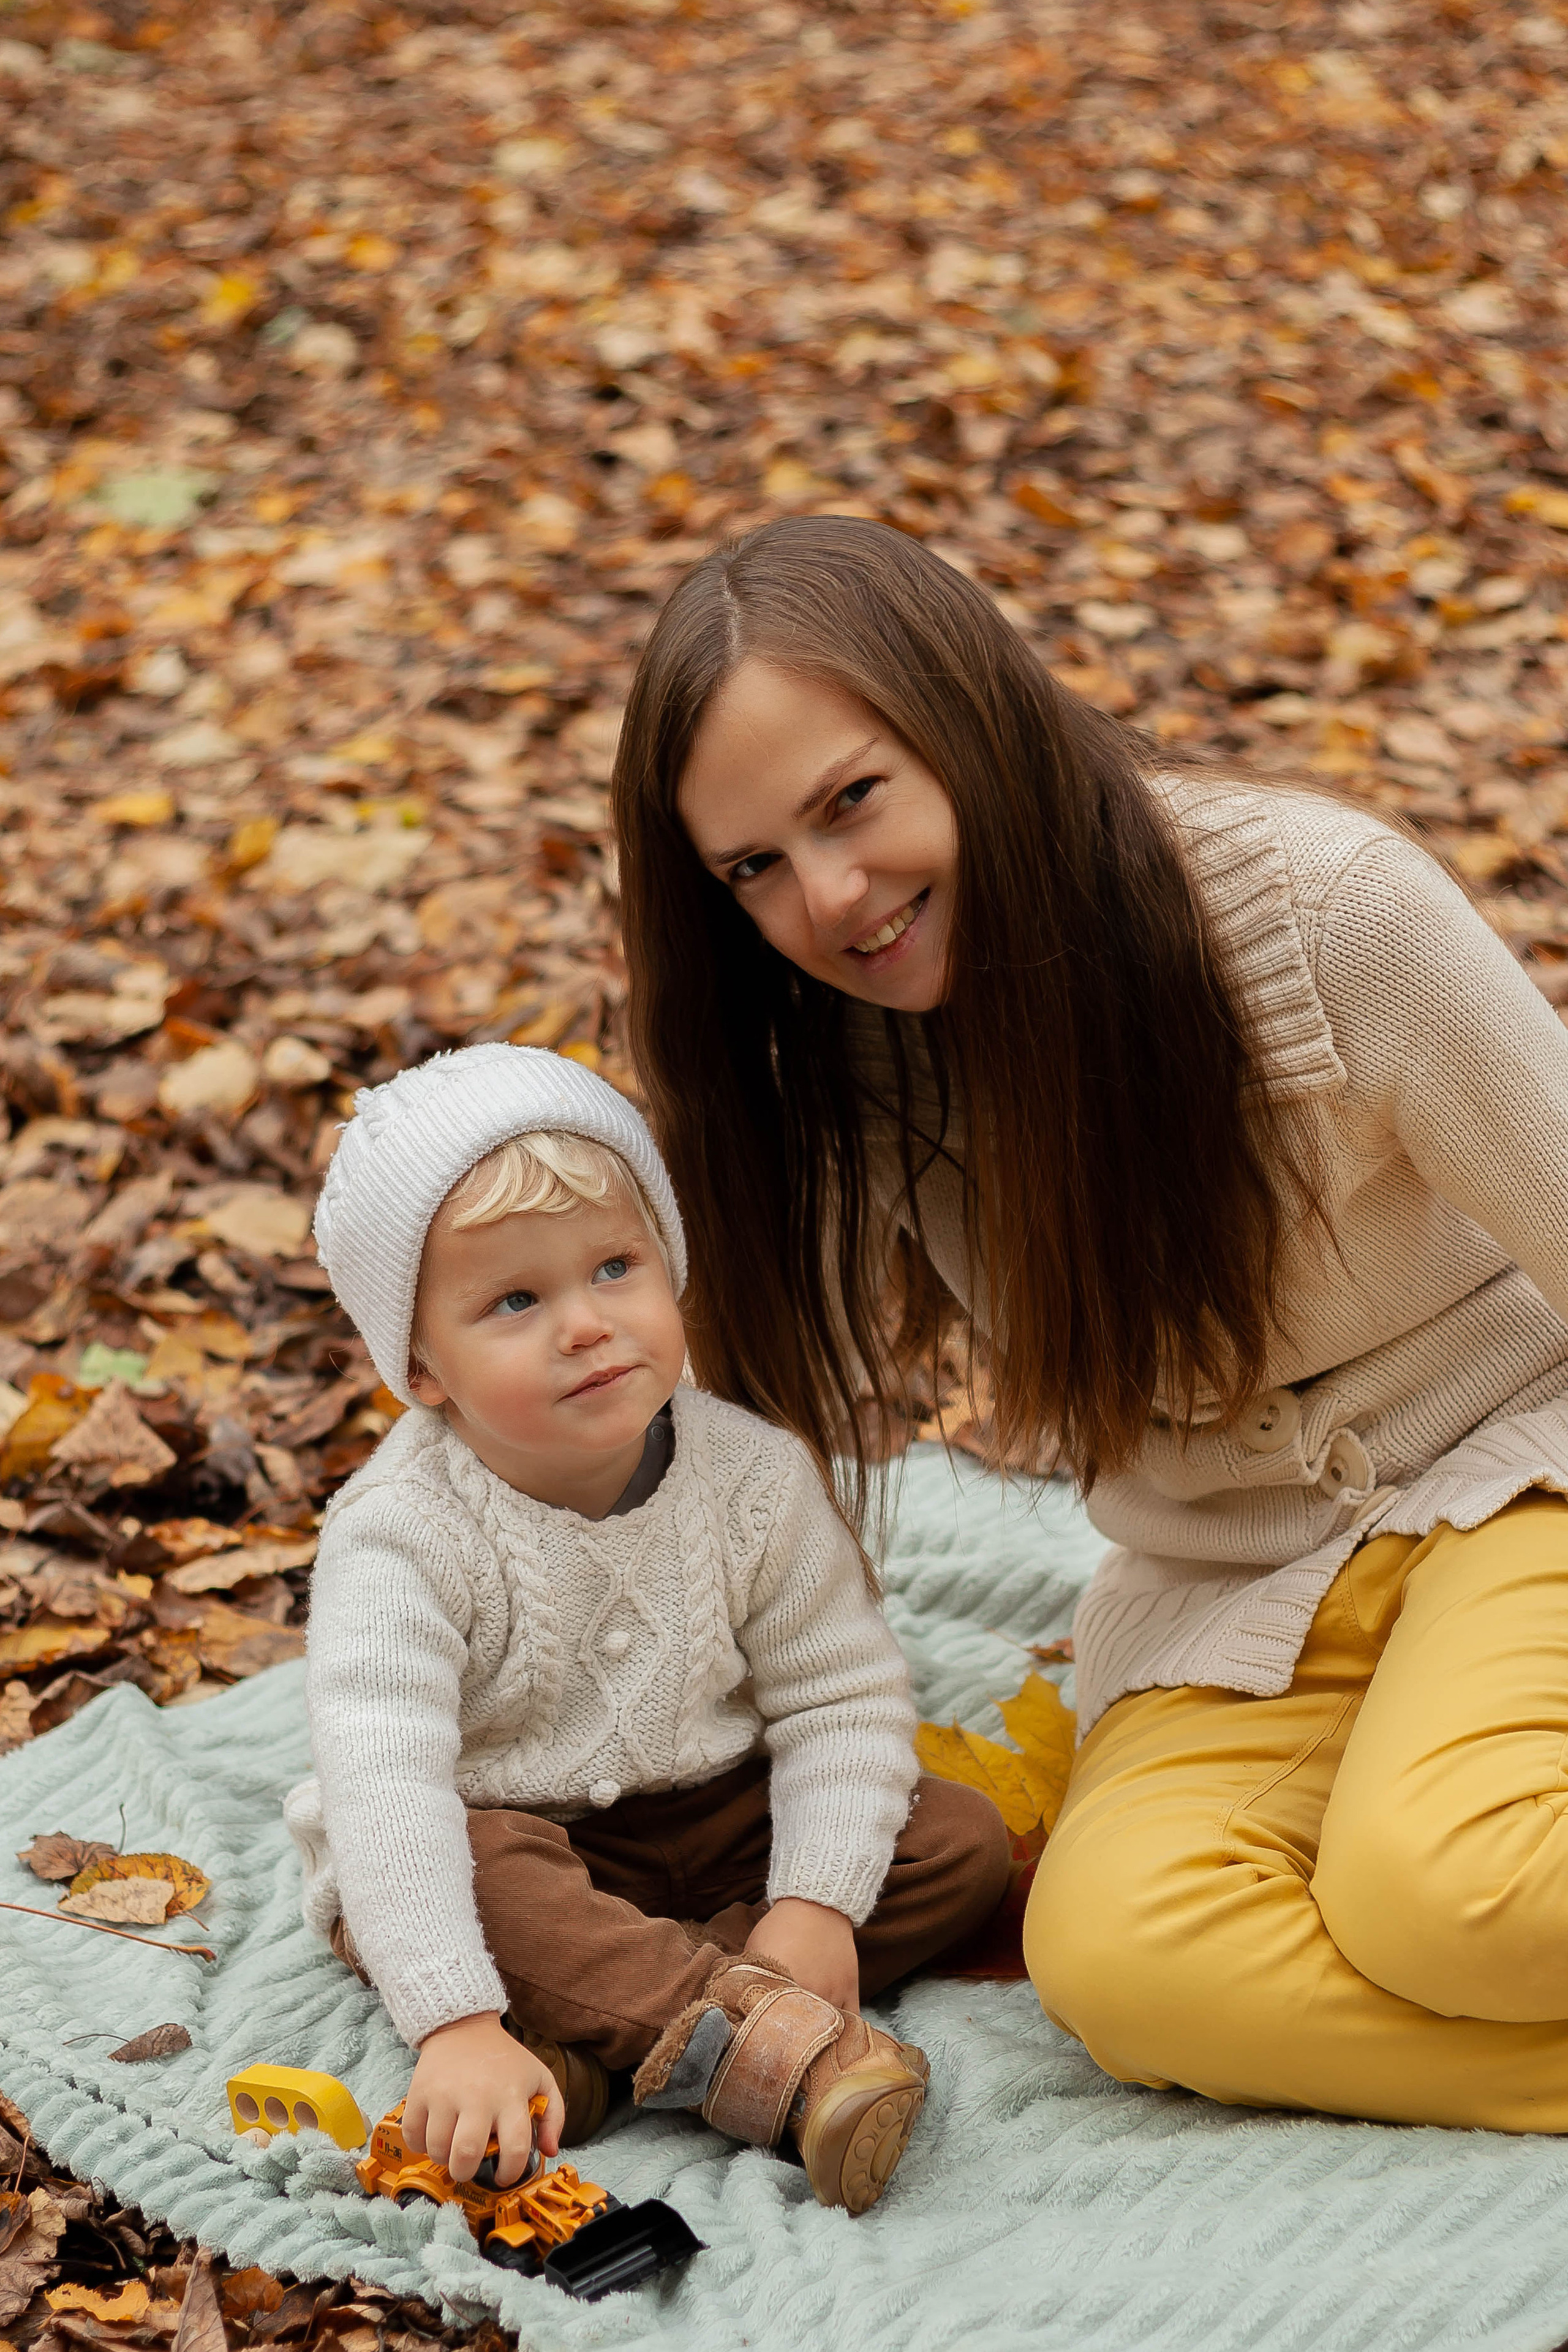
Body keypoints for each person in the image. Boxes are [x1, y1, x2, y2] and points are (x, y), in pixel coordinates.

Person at [611, 513, 1568, 2133]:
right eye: (752, 869)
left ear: (971, 722)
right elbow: (715, 1434)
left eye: (852, 801)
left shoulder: (1330, 917)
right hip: (1231, 1586)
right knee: (1119, 1960)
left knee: (1444, 1888)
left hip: (1513, 1475)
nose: (828, 898)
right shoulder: (842, 1060)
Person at [285, 1043, 1009, 2211]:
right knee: (470, 1876)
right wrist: (455, 2022)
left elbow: (838, 1697)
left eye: (616, 1268)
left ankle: (598, 2042)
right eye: (515, 1301)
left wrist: (814, 1902)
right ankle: (778, 2059)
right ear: (420, 1365)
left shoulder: (753, 1476)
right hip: (514, 1837)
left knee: (955, 1843)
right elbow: (386, 1790)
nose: (586, 1324)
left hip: (718, 1820)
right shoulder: (400, 1536)